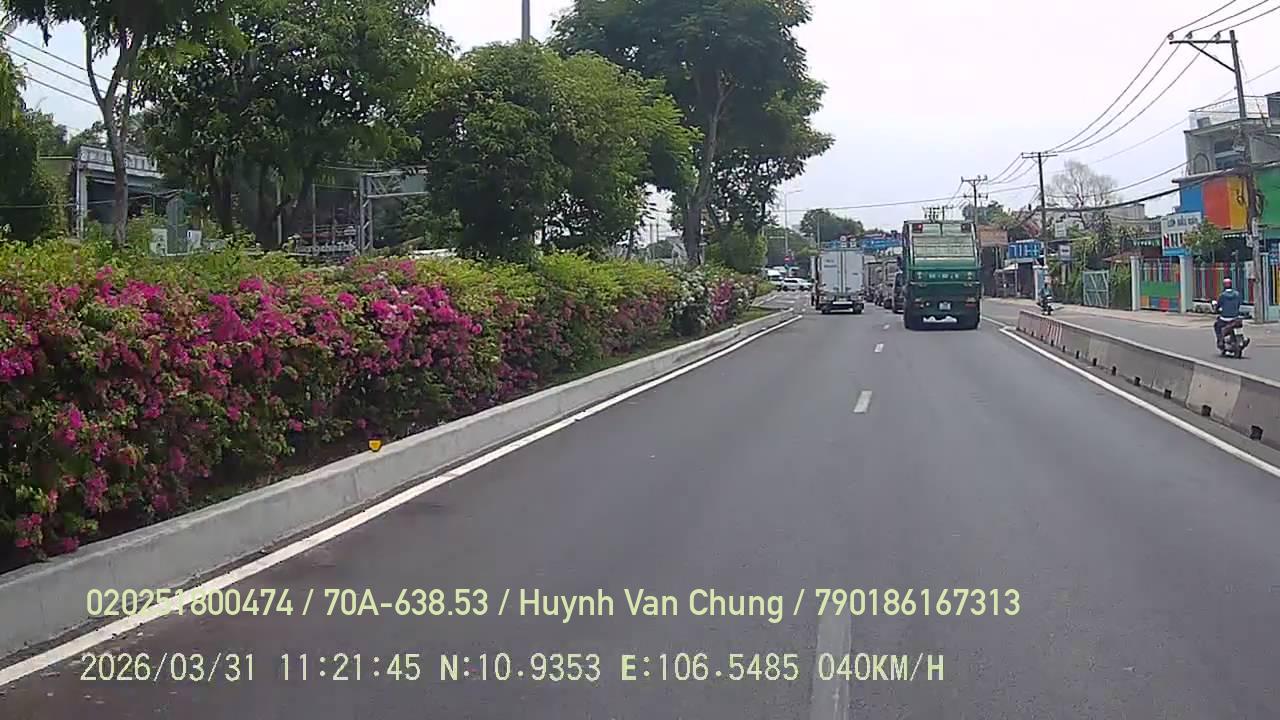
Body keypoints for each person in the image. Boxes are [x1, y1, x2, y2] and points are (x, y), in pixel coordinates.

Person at [1214, 277, 1243, 350]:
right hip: (1235, 317)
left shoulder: (1222, 295)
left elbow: (1218, 305)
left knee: (1217, 326)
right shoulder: (1237, 294)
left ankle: (1220, 340)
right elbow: (1239, 304)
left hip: (1225, 318)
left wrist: (1216, 309)